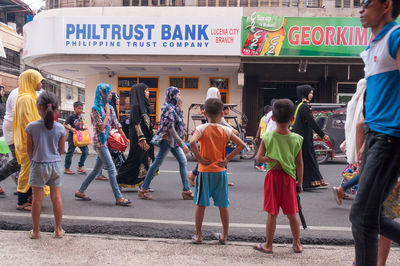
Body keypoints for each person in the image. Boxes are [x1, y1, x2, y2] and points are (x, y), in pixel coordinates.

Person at [349, 0, 400, 264]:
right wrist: (364, 142)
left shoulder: (395, 37)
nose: (361, 9)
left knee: (361, 216)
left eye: (366, 3)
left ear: (386, 5)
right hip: (374, 137)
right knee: (372, 216)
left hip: (390, 137)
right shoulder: (373, 46)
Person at [189, 98, 245, 244]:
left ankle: (198, 235)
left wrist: (199, 158)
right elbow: (241, 145)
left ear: (204, 113)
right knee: (223, 204)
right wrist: (227, 159)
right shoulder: (225, 129)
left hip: (204, 171)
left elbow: (192, 142)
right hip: (220, 171)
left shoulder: (202, 129)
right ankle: (225, 235)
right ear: (222, 114)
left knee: (201, 204)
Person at [253, 99, 303, 254]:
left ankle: (268, 244)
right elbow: (299, 163)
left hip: (272, 177)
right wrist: (299, 182)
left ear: (272, 118)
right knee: (292, 213)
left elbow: (259, 158)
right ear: (292, 119)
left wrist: (274, 159)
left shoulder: (268, 137)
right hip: (289, 178)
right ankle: (297, 244)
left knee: (272, 212)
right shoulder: (297, 139)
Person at [75, 83, 131, 206]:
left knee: (96, 170)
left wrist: (125, 138)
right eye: (108, 92)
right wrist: (106, 113)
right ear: (102, 93)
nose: (110, 94)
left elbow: (116, 124)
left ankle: (80, 191)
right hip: (99, 142)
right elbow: (101, 127)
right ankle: (118, 197)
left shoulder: (110, 108)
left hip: (106, 141)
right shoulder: (95, 108)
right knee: (111, 168)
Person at [138, 86, 193, 200]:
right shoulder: (168, 108)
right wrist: (182, 144)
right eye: (178, 94)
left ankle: (186, 190)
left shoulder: (174, 107)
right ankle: (143, 189)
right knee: (156, 164)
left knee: (182, 162)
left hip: (173, 142)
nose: (179, 97)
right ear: (172, 95)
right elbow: (170, 129)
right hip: (167, 141)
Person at [26, 91, 65, 239]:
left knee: (37, 198)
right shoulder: (60, 128)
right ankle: (58, 230)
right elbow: (61, 151)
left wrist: (35, 159)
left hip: (38, 164)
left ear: (39, 107)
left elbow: (29, 150)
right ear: (56, 110)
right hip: (55, 165)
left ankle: (36, 231)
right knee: (56, 197)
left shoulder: (31, 127)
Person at [13, 70, 49, 211]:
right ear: (30, 81)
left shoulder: (29, 97)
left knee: (33, 170)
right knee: (27, 170)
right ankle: (22, 201)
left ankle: (29, 197)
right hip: (30, 141)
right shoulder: (26, 98)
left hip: (32, 140)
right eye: (39, 80)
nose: (41, 84)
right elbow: (29, 122)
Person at [188, 87, 237, 187]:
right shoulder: (212, 106)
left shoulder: (214, 105)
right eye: (218, 93)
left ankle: (221, 178)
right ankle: (193, 174)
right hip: (212, 134)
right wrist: (231, 129)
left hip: (217, 134)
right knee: (210, 157)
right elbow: (221, 121)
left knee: (217, 156)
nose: (220, 95)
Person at [291, 85, 330, 189]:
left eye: (312, 93)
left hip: (300, 136)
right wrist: (322, 135)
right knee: (308, 159)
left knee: (308, 159)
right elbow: (312, 122)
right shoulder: (304, 106)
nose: (311, 95)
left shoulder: (298, 105)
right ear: (304, 93)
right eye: (310, 93)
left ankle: (315, 180)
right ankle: (308, 181)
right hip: (303, 138)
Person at [118, 84, 155, 188]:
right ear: (140, 92)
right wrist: (141, 138)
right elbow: (136, 123)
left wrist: (152, 131)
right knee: (135, 159)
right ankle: (119, 179)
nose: (148, 93)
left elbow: (146, 122)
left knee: (144, 159)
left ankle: (142, 183)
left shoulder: (145, 105)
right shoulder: (135, 106)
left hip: (146, 137)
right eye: (146, 91)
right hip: (139, 137)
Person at [0, 88, 20, 195]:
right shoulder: (17, 94)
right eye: (1, 90)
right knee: (16, 161)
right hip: (9, 133)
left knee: (14, 161)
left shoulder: (4, 101)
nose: (3, 92)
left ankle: (22, 188)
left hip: (8, 133)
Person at [63, 101, 89, 175]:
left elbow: (83, 126)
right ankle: (67, 168)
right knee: (70, 152)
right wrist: (71, 129)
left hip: (81, 137)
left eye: (82, 108)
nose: (81, 110)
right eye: (79, 108)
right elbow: (64, 124)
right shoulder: (71, 117)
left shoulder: (81, 117)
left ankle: (80, 166)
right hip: (73, 137)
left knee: (86, 151)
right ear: (74, 108)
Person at [254, 105, 271, 172]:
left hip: (262, 136)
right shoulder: (268, 118)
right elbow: (261, 128)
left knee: (264, 151)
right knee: (265, 152)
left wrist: (256, 137)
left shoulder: (263, 118)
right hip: (266, 136)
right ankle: (259, 164)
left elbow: (259, 128)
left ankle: (263, 164)